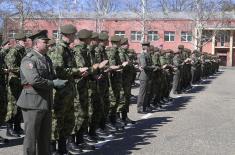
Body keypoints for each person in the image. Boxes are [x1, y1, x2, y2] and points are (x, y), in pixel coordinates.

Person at [16, 30, 68, 155]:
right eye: (44, 42)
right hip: (32, 103)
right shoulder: (28, 59)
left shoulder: (46, 59)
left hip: (45, 102)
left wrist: (59, 83)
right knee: (31, 137)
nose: (47, 44)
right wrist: (53, 83)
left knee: (45, 137)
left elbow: (51, 77)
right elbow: (34, 80)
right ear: (36, 44)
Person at [5, 32, 27, 137]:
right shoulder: (13, 51)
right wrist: (25, 70)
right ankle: (9, 129)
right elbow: (11, 66)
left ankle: (17, 127)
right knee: (12, 105)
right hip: (13, 81)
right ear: (18, 41)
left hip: (21, 82)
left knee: (20, 105)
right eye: (24, 40)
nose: (25, 42)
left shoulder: (23, 51)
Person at [137, 41, 155, 114]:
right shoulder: (142, 55)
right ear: (146, 47)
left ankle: (144, 107)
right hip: (144, 76)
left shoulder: (148, 55)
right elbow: (144, 66)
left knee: (147, 92)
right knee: (143, 93)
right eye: (148, 46)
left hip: (148, 76)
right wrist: (152, 67)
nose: (149, 48)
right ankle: (140, 108)